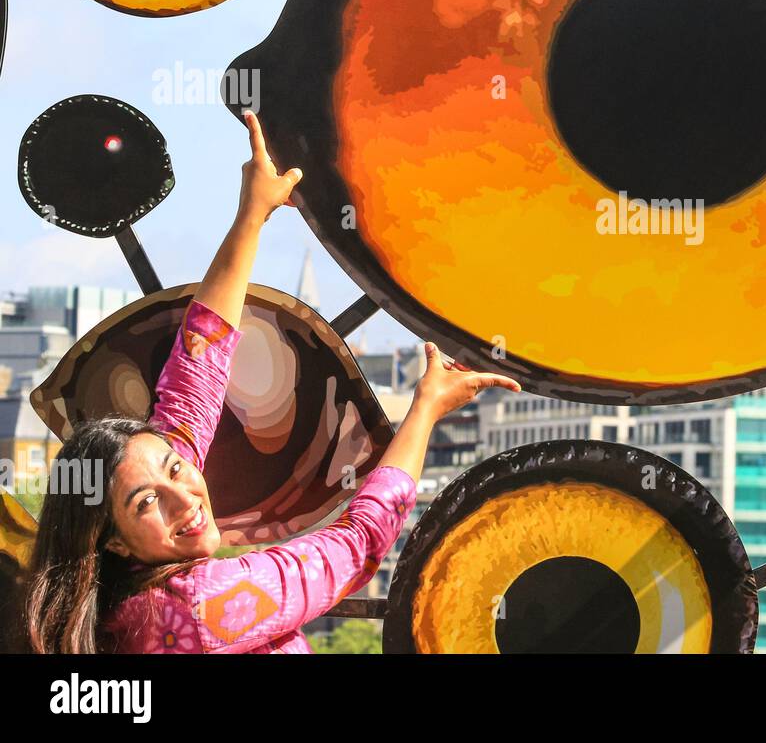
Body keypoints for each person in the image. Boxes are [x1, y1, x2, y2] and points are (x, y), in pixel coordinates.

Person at [22, 110, 521, 653]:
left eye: (173, 470)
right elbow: (356, 546)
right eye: (146, 503)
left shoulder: (108, 606)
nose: (183, 498)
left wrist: (252, 214)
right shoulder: (200, 608)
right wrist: (424, 408)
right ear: (114, 541)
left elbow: (196, 376)